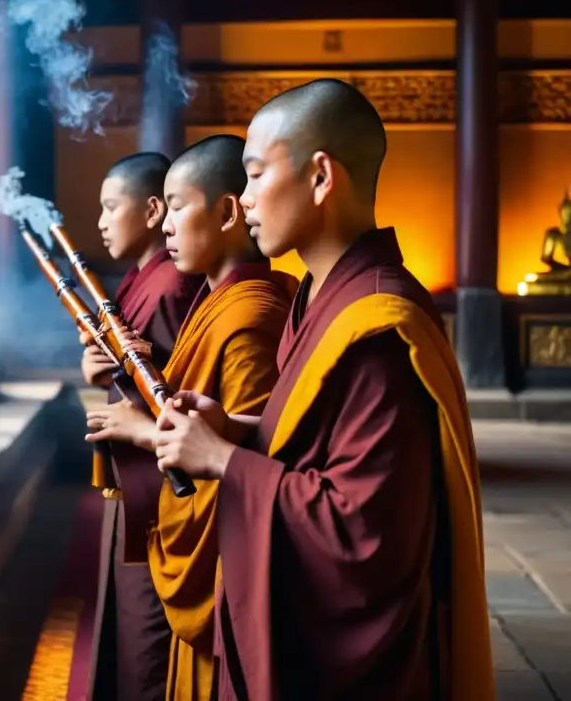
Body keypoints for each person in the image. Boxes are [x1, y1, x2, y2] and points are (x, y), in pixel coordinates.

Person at [150, 79, 495, 700]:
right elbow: (309, 443)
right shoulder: (317, 298)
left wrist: (224, 461)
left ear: (319, 177)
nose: (245, 197)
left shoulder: (379, 326)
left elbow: (364, 534)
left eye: (255, 175)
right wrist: (237, 428)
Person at [86, 135, 296, 701]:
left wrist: (144, 429)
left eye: (176, 206)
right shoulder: (214, 302)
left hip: (220, 552)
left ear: (227, 213)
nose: (167, 227)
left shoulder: (249, 313)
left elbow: (258, 447)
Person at [79, 152, 202, 701]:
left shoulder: (172, 286)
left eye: (111, 207)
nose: (101, 221)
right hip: (132, 488)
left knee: (147, 644)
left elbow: (179, 387)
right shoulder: (140, 281)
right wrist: (97, 364)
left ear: (153, 210)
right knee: (130, 639)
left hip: (160, 494)